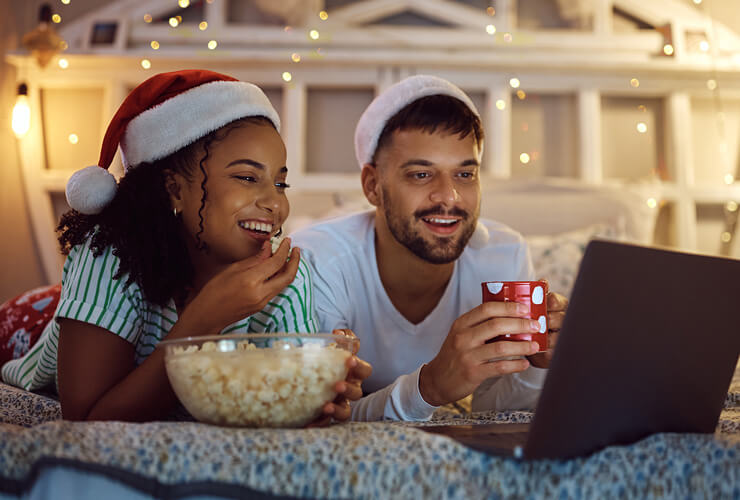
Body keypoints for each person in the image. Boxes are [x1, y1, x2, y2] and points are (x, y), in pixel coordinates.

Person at [0, 70, 371, 423]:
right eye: (246, 177)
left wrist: (318, 396)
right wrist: (205, 319)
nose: (276, 204)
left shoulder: (281, 270)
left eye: (280, 184)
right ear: (174, 189)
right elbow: (86, 419)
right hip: (31, 325)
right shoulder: (109, 253)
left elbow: (274, 400)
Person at [291, 75, 568, 421]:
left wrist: (539, 365)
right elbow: (317, 417)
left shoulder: (504, 255)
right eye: (421, 175)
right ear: (373, 185)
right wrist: (429, 388)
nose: (448, 197)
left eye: (464, 175)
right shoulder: (319, 261)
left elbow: (495, 410)